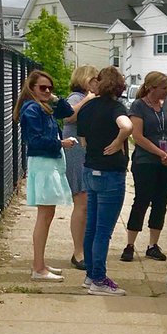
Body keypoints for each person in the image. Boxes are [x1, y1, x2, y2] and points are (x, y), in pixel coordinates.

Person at [14, 70, 81, 280]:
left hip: (49, 163)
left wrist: (53, 97)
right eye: (42, 87)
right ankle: (38, 267)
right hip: (43, 164)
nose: (47, 91)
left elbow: (67, 111)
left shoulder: (43, 106)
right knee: (44, 215)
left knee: (48, 214)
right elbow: (35, 141)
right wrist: (61, 143)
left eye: (50, 88)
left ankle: (40, 263)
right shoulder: (32, 109)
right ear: (31, 88)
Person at [76, 66, 133, 296]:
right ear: (119, 86)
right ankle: (99, 279)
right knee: (103, 230)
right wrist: (118, 142)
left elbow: (83, 140)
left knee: (91, 227)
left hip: (90, 169)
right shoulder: (116, 107)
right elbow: (127, 126)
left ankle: (90, 274)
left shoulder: (87, 107)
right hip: (111, 173)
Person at [121, 71, 167, 263]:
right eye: (163, 88)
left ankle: (153, 244)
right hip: (146, 160)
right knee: (142, 200)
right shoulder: (139, 106)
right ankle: (130, 244)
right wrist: (160, 153)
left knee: (161, 202)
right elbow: (137, 136)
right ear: (151, 88)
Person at [62, 64, 99, 268]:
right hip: (76, 153)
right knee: (81, 202)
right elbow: (68, 116)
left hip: (88, 153)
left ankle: (86, 248)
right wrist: (88, 99)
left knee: (88, 203)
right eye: (94, 79)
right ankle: (78, 252)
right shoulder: (76, 98)